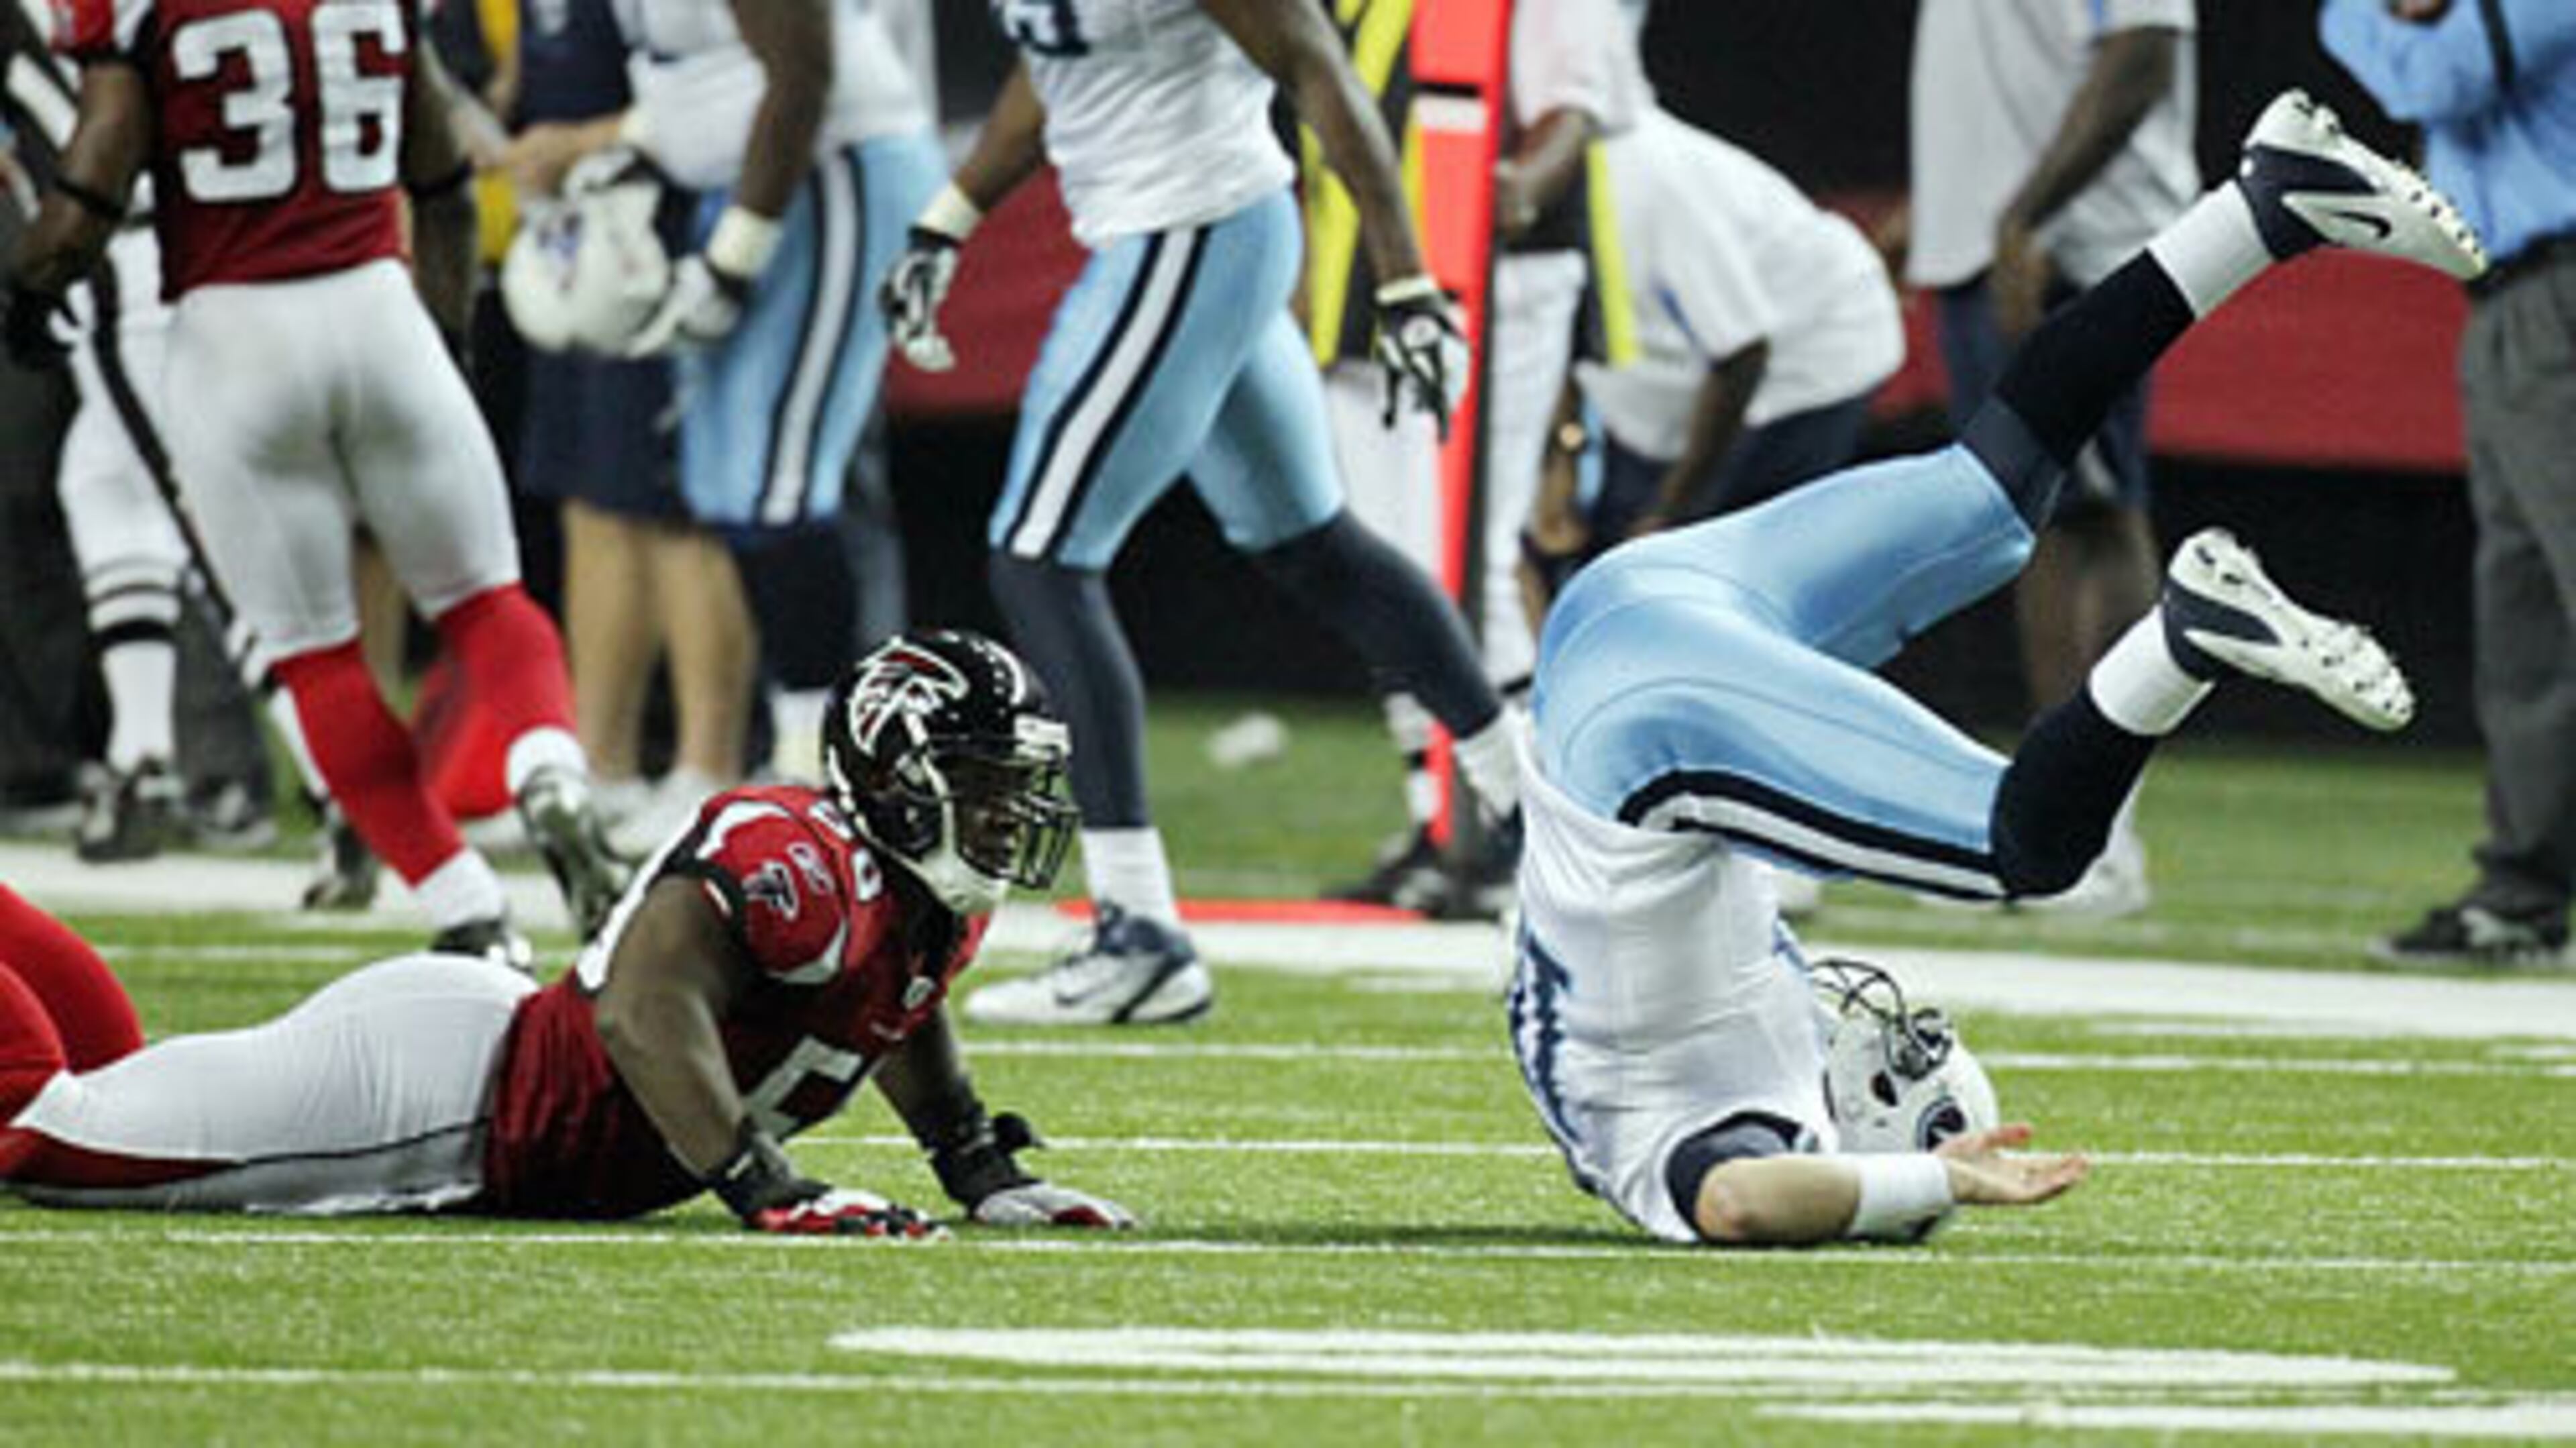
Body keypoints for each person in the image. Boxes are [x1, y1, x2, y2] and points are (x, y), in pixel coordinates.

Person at [1508, 92, 2482, 1245]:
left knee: (2026, 842)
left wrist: (1934, 1183)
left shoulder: (1708, 1133)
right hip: (1629, 620)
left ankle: (2183, 637)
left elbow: (1739, 1198)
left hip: (1641, 726)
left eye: (1903, 1089)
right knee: (1996, 483)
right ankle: (2269, 202)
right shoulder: (1706, 1057)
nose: (1892, 1034)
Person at [0, 631, 1134, 1237]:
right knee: (41, 1135)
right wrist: (762, 1181)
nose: (1005, 814)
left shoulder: (920, 902)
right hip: (449, 1101)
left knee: (100, 1065)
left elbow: (893, 1009)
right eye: (982, 782)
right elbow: (642, 1009)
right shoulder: (795, 849)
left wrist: (975, 1165)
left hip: (479, 1073)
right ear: (892, 774)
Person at [881, 0, 1521, 1026]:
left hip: (1189, 230)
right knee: (1316, 547)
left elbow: (1315, 63)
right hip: (1178, 233)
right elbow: (1049, 57)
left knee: (1039, 558)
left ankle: (1139, 931)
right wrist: (947, 217)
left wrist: (1407, 282)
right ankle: (1534, 812)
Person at [3, 0, 628, 958]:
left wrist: (35, 289)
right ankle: (553, 772)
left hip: (233, 336)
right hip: (376, 306)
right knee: (485, 603)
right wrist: (442, 345)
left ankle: (468, 907)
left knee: (316, 655)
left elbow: (97, 175)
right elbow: (444, 176)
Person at [504, 0, 946, 855]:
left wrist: (734, 257)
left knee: (777, 483)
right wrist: (616, 145)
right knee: (718, 481)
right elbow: (700, 84)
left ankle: (829, 771)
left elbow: (803, 75)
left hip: (833, 170)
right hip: (753, 180)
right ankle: (795, 759)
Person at [1320, 0, 1646, 919]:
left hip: (1492, 269)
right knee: (1382, 564)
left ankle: (1537, 829)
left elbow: (1573, 105)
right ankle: (1438, 822)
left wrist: (1518, 183)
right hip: (1365, 277)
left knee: (1468, 554)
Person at [1902, 0, 2201, 916]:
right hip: (1999, 241)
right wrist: (1945, 212)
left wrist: (2028, 216)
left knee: (2099, 515)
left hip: (2075, 243)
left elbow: (2143, 52)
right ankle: (2045, 822)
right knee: (2024, 520)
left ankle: (2105, 830)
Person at [2322, 0, 2576, 968]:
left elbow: (2431, 81)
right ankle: (2523, 892)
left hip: (2561, 293)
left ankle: (2526, 886)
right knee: (2526, 620)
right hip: (2509, 299)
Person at [499, 0, 761, 851]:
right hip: (581, 233)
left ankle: (706, 766)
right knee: (591, 498)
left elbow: (724, 90)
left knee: (675, 505)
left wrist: (582, 141)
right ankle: (602, 768)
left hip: (661, 230)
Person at [1539, 103, 1904, 575]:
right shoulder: (1547, 187)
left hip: (1814, 356)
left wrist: (1671, 516)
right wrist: (1565, 453)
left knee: (1731, 573)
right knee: (1617, 561)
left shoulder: (1654, 189)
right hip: (1670, 390)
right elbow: (1563, 324)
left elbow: (1742, 354)